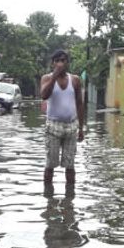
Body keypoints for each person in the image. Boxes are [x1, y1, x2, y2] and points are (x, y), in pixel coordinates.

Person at [39, 49, 84, 185]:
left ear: (67, 63)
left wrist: (81, 128)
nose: (60, 63)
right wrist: (54, 76)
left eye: (63, 60)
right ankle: (49, 201)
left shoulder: (75, 80)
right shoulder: (46, 78)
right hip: (53, 126)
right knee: (50, 165)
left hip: (71, 126)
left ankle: (69, 201)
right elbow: (44, 95)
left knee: (70, 166)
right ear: (53, 63)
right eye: (57, 60)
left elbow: (80, 104)